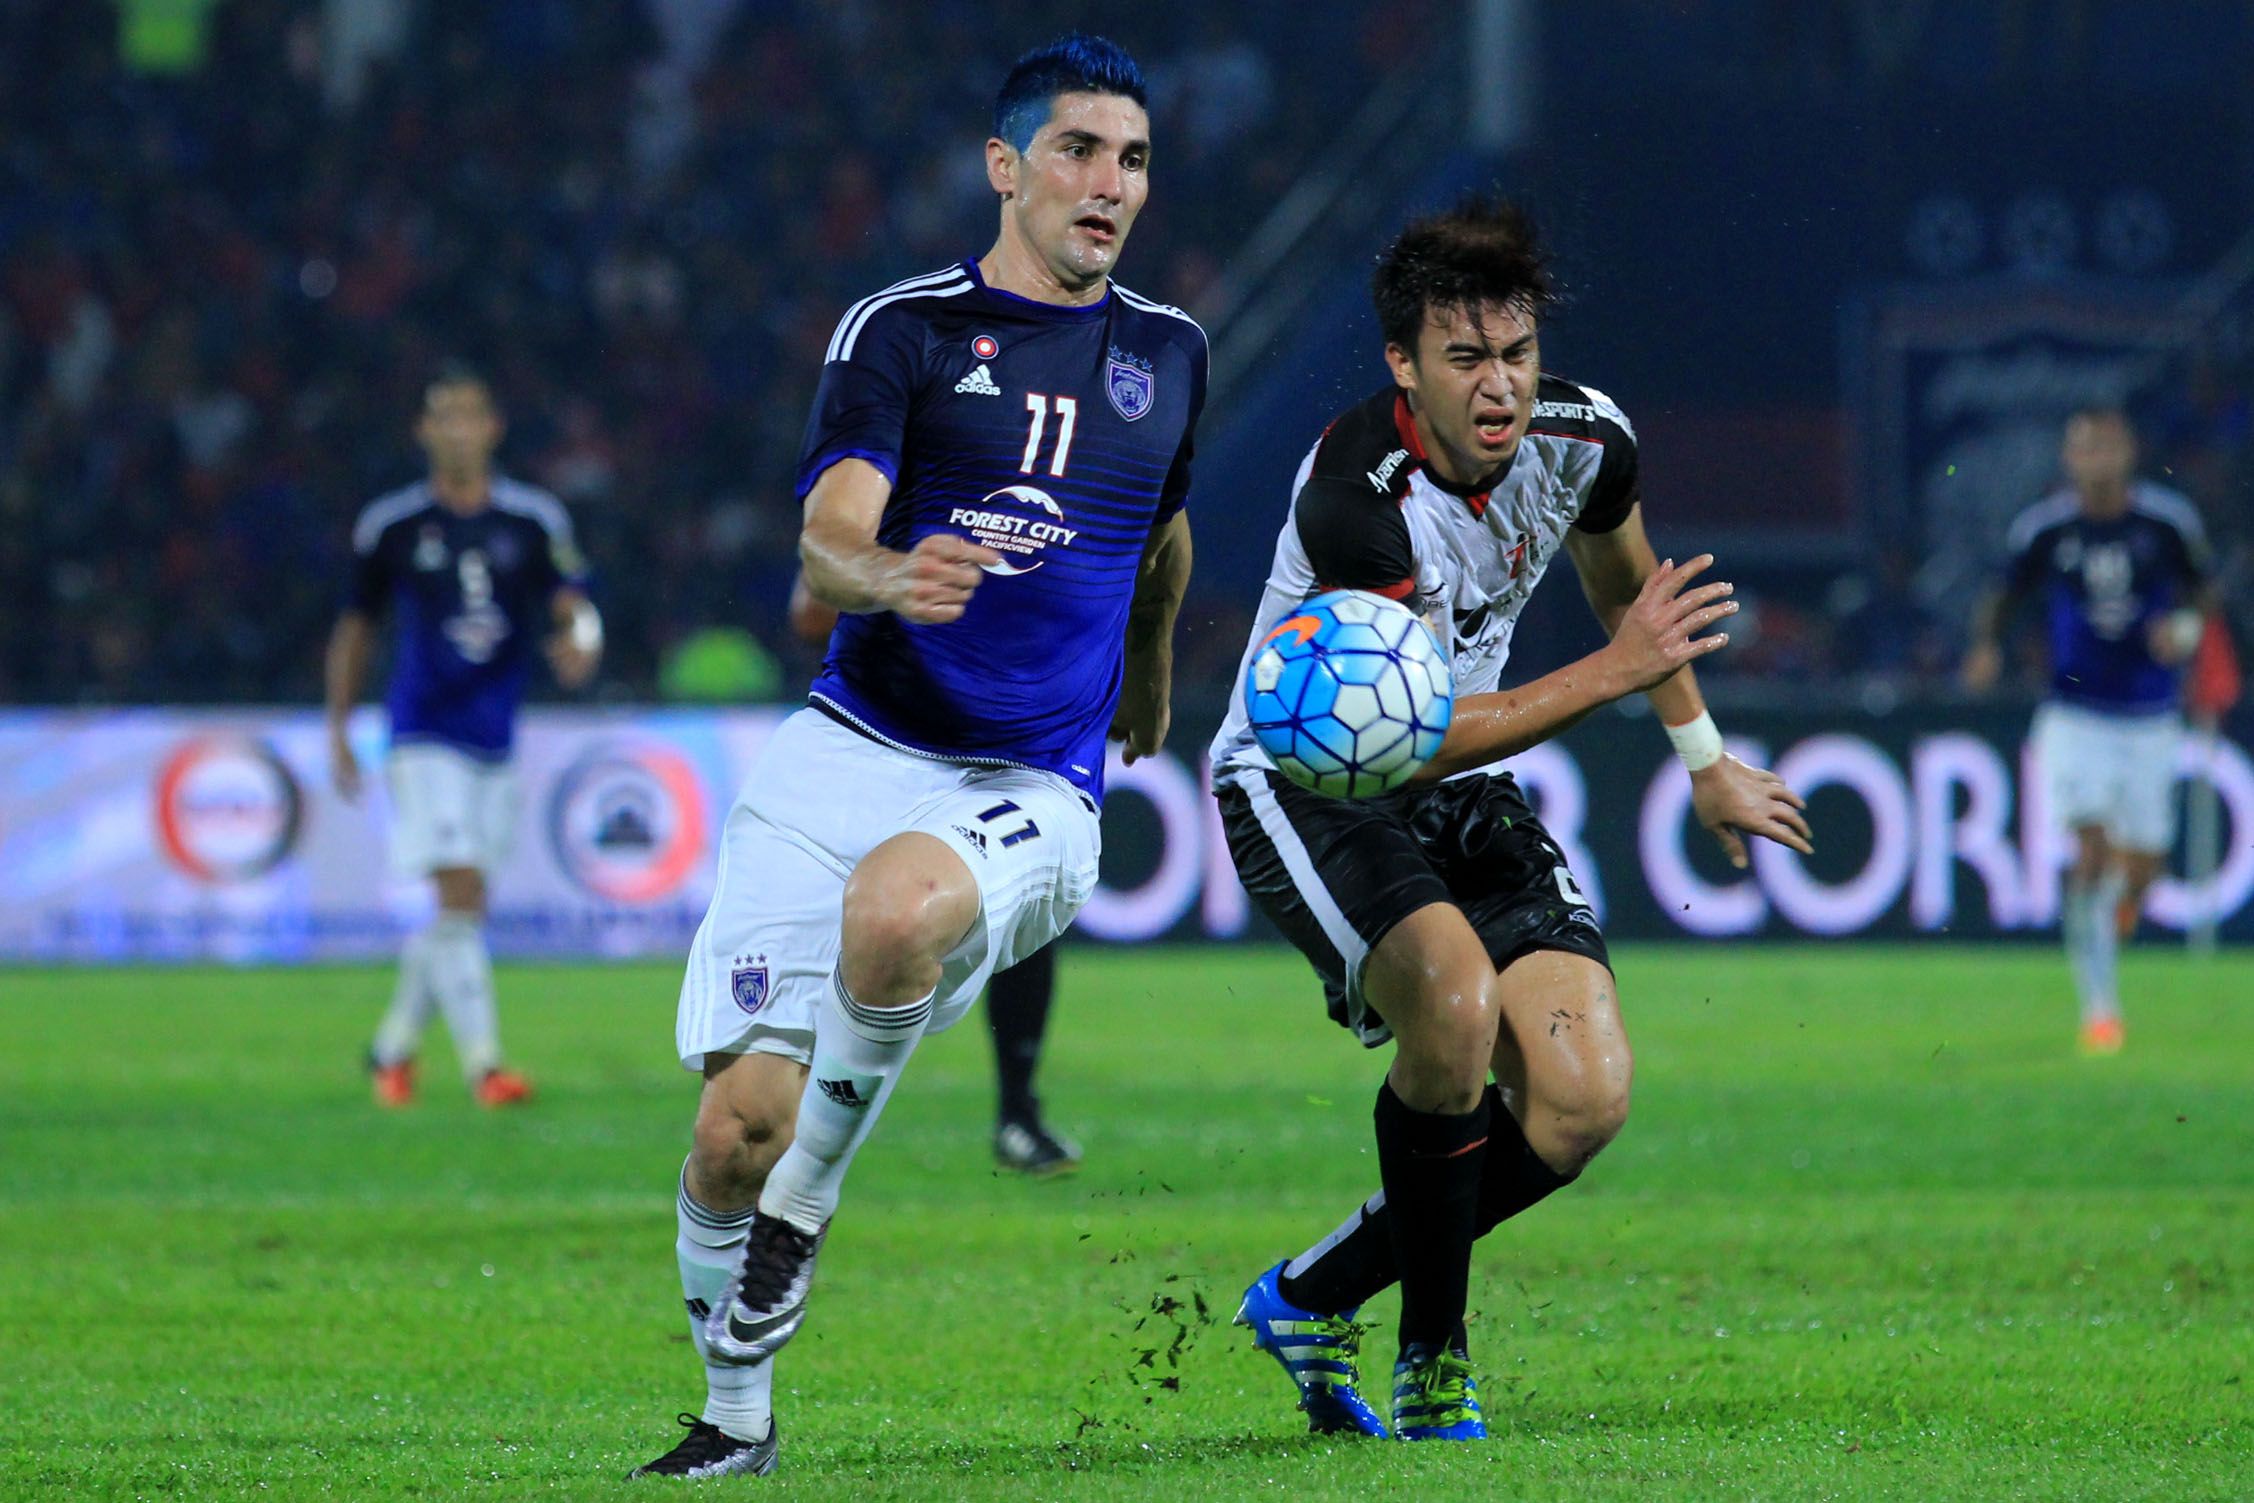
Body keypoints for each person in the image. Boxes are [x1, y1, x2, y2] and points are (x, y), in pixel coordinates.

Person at [633, 35, 1201, 1479]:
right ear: (1005, 166)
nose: (1108, 184)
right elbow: (830, 525)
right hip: (846, 751)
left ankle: (802, 1222)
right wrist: (883, 576)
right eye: (1077, 150)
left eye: (1130, 158)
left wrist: (1148, 670)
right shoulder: (904, 330)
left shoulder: (1169, 351)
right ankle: (735, 1418)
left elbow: (1166, 530)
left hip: (1028, 785)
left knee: (894, 915)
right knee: (726, 1131)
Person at [1208, 197, 1811, 1441]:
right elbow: (1411, 732)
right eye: (1465, 359)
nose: (1500, 387)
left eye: (1517, 353)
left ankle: (1312, 1297)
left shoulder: (1585, 441)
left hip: (1461, 779)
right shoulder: (1350, 494)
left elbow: (1619, 581)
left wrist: (1703, 758)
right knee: (1453, 1002)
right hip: (1307, 780)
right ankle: (1435, 1362)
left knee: (1582, 1098)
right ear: (1403, 367)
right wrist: (1617, 673)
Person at [326, 365, 602, 1107]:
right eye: (441, 416)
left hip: (494, 736)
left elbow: (573, 603)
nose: (456, 428)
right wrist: (339, 728)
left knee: (461, 910)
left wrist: (583, 640)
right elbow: (356, 627)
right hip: (420, 731)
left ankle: (390, 1052)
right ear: (423, 432)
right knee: (459, 889)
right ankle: (487, 1067)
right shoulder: (390, 525)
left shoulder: (532, 519)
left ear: (492, 428)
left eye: (468, 415)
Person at [787, 575, 1083, 1175]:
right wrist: (898, 581)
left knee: (1021, 912)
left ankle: (1018, 1113)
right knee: (844, 919)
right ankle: (783, 1100)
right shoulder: (891, 500)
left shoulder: (1030, 530)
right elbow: (811, 612)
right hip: (882, 742)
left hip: (999, 744)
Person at [1961, 407, 2218, 1055]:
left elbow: (2200, 593)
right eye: (2084, 448)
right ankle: (2100, 1009)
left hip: (2149, 716)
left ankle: (2125, 905)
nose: (2097, 459)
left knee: (2143, 867)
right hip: (2074, 715)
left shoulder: (2165, 523)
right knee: (2092, 851)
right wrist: (1988, 645)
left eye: (2107, 446)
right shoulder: (2046, 528)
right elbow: (2005, 592)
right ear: (2069, 458)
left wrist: (2183, 631)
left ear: (2128, 452)